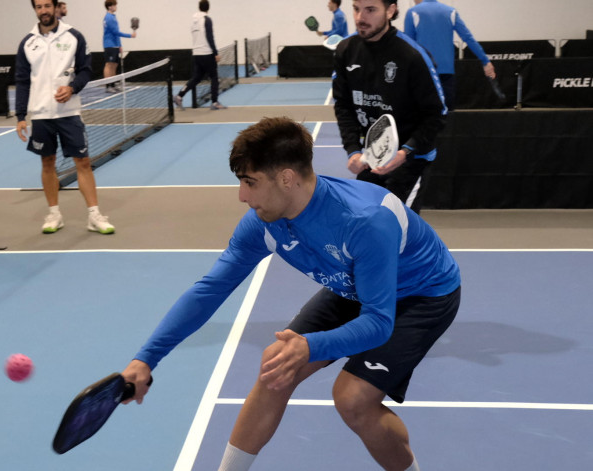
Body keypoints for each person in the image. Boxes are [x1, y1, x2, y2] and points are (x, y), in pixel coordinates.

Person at [121, 116, 461, 471]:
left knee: (353, 399)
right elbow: (210, 290)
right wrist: (146, 358)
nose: (242, 196)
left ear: (286, 178)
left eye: (250, 182)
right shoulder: (263, 223)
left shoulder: (365, 221)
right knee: (276, 366)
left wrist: (311, 346)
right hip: (351, 283)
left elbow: (378, 322)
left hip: (423, 292)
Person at [332, 0, 447, 214]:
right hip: (373, 155)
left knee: (397, 229)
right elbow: (343, 105)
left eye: (370, 10)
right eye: (356, 9)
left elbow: (436, 115)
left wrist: (405, 152)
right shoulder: (345, 50)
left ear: (390, 11)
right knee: (365, 224)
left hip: (412, 159)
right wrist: (353, 150)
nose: (360, 18)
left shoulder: (413, 56)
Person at [15, 0, 116, 235]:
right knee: (47, 163)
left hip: (69, 113)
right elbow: (21, 80)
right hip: (41, 115)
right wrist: (21, 115)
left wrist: (72, 88)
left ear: (55, 7)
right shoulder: (27, 43)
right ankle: (54, 214)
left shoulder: (74, 37)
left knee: (83, 162)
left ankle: (94, 215)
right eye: (39, 7)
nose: (43, 11)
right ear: (35, 10)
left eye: (47, 6)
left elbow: (86, 70)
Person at [403, 0, 496, 111]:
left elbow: (408, 46)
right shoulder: (450, 12)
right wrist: (485, 61)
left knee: (424, 116)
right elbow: (468, 38)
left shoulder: (413, 12)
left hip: (423, 72)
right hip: (446, 73)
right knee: (448, 117)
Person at [173, 1, 227, 111]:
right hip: (207, 53)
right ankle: (215, 102)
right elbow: (210, 37)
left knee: (196, 78)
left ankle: (179, 96)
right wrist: (215, 53)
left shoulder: (194, 21)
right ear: (208, 8)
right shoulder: (207, 20)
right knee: (214, 77)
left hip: (196, 54)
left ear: (199, 7)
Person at [102, 0, 135, 93]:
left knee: (114, 65)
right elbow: (116, 32)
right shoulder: (109, 18)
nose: (116, 7)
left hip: (115, 45)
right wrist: (130, 35)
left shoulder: (113, 17)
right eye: (114, 5)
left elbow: (116, 34)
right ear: (109, 7)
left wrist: (119, 45)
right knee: (109, 65)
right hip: (109, 45)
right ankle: (108, 86)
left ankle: (113, 84)